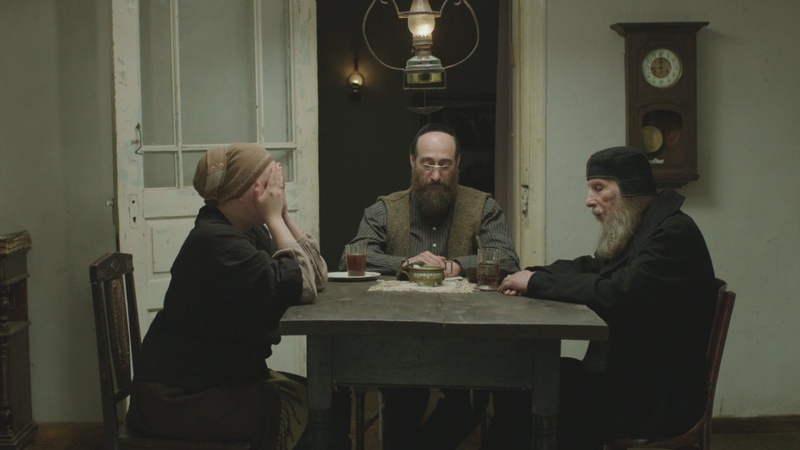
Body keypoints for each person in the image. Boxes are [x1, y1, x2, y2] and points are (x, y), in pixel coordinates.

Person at [482, 146, 717, 450]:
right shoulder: (644, 225)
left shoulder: (672, 234)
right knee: (519, 379)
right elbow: (592, 267)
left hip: (654, 398)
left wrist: (537, 283)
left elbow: (617, 293)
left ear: (630, 187)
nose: (589, 200)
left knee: (526, 397)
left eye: (598, 188)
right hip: (629, 380)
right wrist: (530, 274)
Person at [125, 143, 349, 450]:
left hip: (219, 379)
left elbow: (315, 278)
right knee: (316, 411)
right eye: (269, 183)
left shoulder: (247, 231)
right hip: (178, 395)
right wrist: (274, 218)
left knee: (330, 399)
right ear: (245, 190)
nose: (277, 189)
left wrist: (283, 216)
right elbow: (302, 285)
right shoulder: (214, 241)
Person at [340, 123, 521, 450]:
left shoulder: (484, 207)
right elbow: (351, 258)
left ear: (457, 164)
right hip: (399, 336)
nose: (435, 175)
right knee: (402, 400)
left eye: (444, 165)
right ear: (412, 161)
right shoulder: (384, 209)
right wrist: (404, 264)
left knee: (470, 400)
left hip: (468, 337)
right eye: (427, 164)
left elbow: (508, 260)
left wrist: (458, 265)